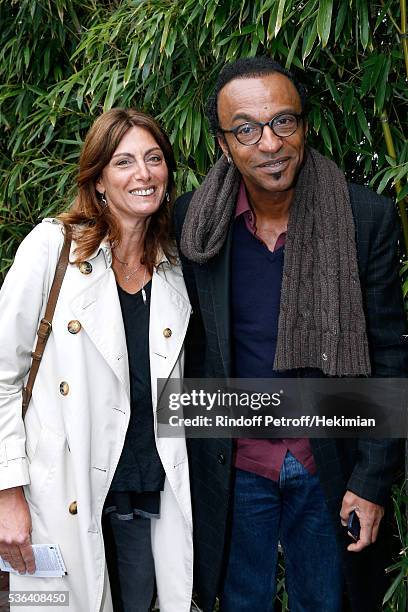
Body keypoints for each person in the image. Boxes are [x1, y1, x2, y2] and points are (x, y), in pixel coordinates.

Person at [174, 57, 407, 612]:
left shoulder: (363, 216)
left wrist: (374, 480)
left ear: (304, 125)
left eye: (284, 121)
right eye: (247, 129)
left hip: (328, 459)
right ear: (225, 144)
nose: (270, 143)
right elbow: (189, 346)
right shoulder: (193, 223)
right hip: (232, 467)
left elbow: (392, 355)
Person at [0, 108, 193, 612]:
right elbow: (2, 377)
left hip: (144, 496)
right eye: (124, 161)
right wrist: (7, 495)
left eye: (154, 159)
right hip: (61, 492)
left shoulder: (175, 266)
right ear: (99, 179)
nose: (143, 174)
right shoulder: (52, 249)